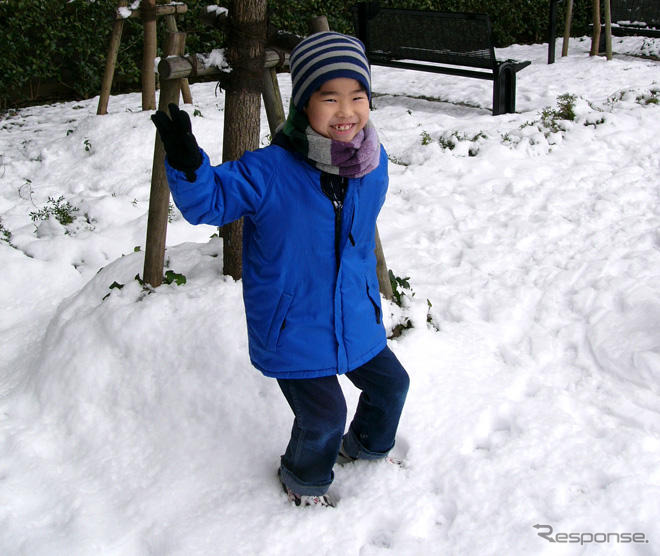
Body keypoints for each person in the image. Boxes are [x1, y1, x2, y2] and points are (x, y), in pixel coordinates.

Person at [151, 31, 409, 508]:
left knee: (392, 385)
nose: (346, 111)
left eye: (358, 97)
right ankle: (304, 479)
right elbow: (211, 201)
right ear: (304, 105)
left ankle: (368, 449)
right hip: (293, 324)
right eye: (329, 98)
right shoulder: (268, 171)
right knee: (325, 416)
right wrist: (188, 164)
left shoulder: (374, 164)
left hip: (354, 313)